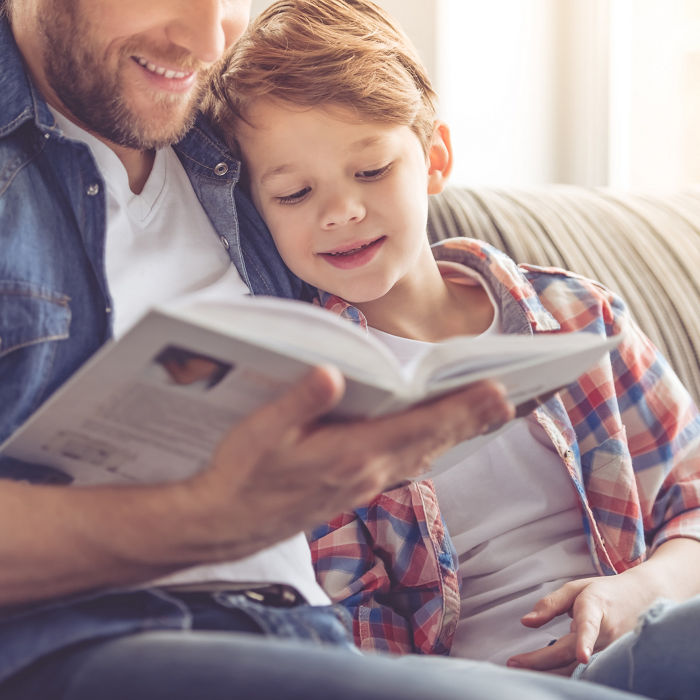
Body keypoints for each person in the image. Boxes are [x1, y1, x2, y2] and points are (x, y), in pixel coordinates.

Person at [0, 0, 646, 699]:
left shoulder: (229, 136)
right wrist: (201, 518)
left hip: (307, 634)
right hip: (93, 639)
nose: (207, 38)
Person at [205, 0, 700, 696]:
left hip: (649, 631)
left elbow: (693, 493)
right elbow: (353, 637)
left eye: (371, 171)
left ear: (434, 158)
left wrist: (637, 593)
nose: (341, 210)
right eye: (295, 192)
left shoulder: (578, 316)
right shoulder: (308, 401)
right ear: (259, 211)